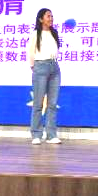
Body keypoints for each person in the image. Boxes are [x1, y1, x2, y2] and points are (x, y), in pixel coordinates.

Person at [27, 8, 62, 145]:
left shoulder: (54, 33)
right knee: (38, 103)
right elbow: (30, 52)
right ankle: (36, 134)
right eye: (48, 16)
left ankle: (51, 135)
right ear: (41, 19)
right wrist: (34, 67)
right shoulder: (35, 33)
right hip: (40, 66)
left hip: (54, 67)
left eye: (52, 16)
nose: (51, 18)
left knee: (52, 104)